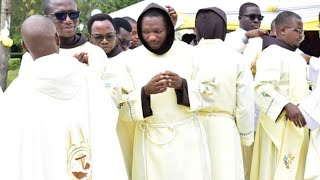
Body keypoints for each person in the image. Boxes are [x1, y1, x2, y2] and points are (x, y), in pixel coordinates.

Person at [0, 15, 126, 180]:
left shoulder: (15, 94)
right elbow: (109, 119)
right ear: (57, 38)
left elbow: (11, 150)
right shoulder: (88, 77)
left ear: (25, 46)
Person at [109, 3, 211, 180]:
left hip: (187, 138)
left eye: (157, 31)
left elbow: (211, 90)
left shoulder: (192, 54)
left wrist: (183, 85)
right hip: (150, 140)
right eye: (146, 32)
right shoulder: (127, 60)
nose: (152, 37)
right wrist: (145, 92)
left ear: (169, 29)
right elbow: (117, 103)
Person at [190, 7, 254, 179]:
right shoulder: (237, 59)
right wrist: (246, 137)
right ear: (224, 29)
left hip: (191, 127)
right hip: (224, 128)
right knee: (225, 171)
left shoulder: (187, 56)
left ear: (196, 29)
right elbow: (245, 105)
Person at [251, 11, 310, 180]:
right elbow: (261, 87)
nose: (302, 35)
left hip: (299, 122)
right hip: (279, 122)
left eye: (303, 31)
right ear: (282, 31)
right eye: (298, 30)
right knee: (276, 168)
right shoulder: (271, 53)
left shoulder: (298, 57)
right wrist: (285, 105)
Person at [19, 0, 107, 78]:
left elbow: (107, 88)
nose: (68, 20)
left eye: (73, 14)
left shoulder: (95, 53)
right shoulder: (34, 55)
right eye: (60, 15)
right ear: (46, 18)